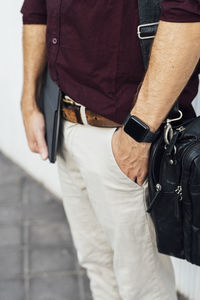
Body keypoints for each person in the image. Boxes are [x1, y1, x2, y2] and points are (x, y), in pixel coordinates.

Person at [20, 0, 200, 299]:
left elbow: (188, 16)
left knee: (142, 288)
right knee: (96, 263)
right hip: (63, 124)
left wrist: (137, 136)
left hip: (122, 139)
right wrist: (29, 100)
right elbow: (35, 7)